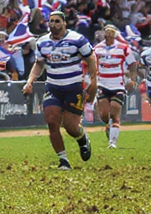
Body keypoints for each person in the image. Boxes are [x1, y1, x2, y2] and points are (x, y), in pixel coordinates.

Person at [21, 11, 95, 171]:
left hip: (73, 87)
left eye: (57, 21)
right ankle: (63, 160)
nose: (53, 24)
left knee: (71, 127)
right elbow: (39, 64)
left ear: (64, 23)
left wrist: (91, 80)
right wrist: (30, 81)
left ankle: (82, 138)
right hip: (53, 87)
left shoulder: (77, 39)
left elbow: (91, 59)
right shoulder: (42, 42)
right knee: (52, 120)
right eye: (51, 21)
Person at [91, 25, 137, 149]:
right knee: (104, 114)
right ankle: (108, 125)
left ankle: (112, 142)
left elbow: (132, 64)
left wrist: (133, 79)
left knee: (115, 111)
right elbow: (91, 64)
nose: (109, 36)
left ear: (115, 35)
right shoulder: (97, 48)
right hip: (102, 84)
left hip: (118, 85)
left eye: (111, 34)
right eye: (107, 33)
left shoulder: (124, 48)